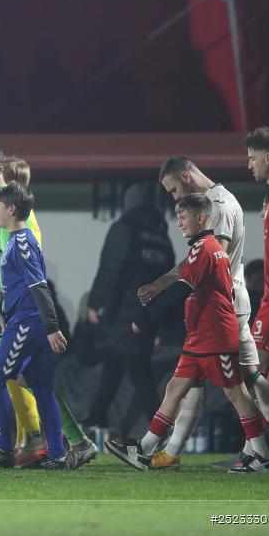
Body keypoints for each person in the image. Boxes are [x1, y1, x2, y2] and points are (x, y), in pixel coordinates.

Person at [107, 194, 269, 473]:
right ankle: (145, 449)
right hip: (201, 336)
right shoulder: (206, 248)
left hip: (215, 336)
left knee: (236, 393)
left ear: (201, 218)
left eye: (183, 218)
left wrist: (146, 317)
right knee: (175, 388)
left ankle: (263, 454)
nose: (179, 224)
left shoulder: (204, 248)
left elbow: (182, 288)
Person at [0, 183, 69, 469]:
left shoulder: (22, 244)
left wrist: (52, 327)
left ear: (11, 209)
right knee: (41, 387)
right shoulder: (17, 241)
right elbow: (16, 285)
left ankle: (3, 449)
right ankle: (58, 456)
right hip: (28, 320)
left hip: (28, 322)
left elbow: (39, 286)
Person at [84, 184, 174, 436]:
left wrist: (95, 302)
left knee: (139, 374)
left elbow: (111, 266)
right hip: (148, 315)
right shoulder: (162, 237)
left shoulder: (125, 227)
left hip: (122, 312)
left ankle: (161, 430)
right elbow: (166, 281)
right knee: (115, 369)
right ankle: (94, 420)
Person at [244, 127, 269, 471]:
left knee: (248, 372)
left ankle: (263, 452)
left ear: (268, 157)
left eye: (252, 157)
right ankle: (256, 453)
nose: (249, 164)